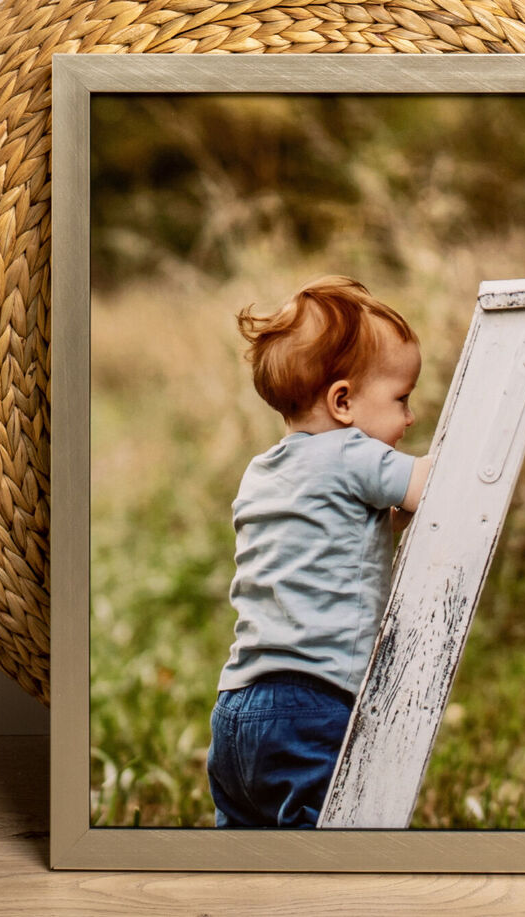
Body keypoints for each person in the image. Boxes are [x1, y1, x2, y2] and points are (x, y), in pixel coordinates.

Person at [206, 274, 432, 828]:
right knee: (324, 848)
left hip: (235, 708)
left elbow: (333, 538)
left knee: (245, 851)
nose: (409, 418)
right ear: (343, 402)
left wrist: (390, 521)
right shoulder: (352, 452)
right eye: (401, 399)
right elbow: (434, 487)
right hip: (313, 708)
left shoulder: (262, 472)